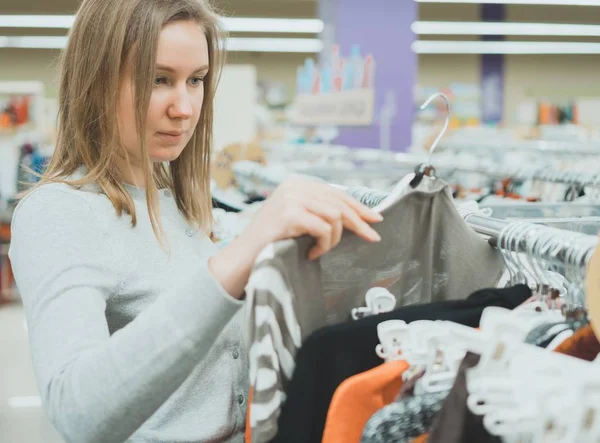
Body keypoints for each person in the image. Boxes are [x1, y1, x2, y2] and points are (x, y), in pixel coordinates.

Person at [8, 1, 383, 442]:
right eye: (158, 79)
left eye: (196, 80)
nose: (184, 108)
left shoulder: (180, 203)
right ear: (97, 80)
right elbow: (76, 412)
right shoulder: (59, 211)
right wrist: (237, 261)